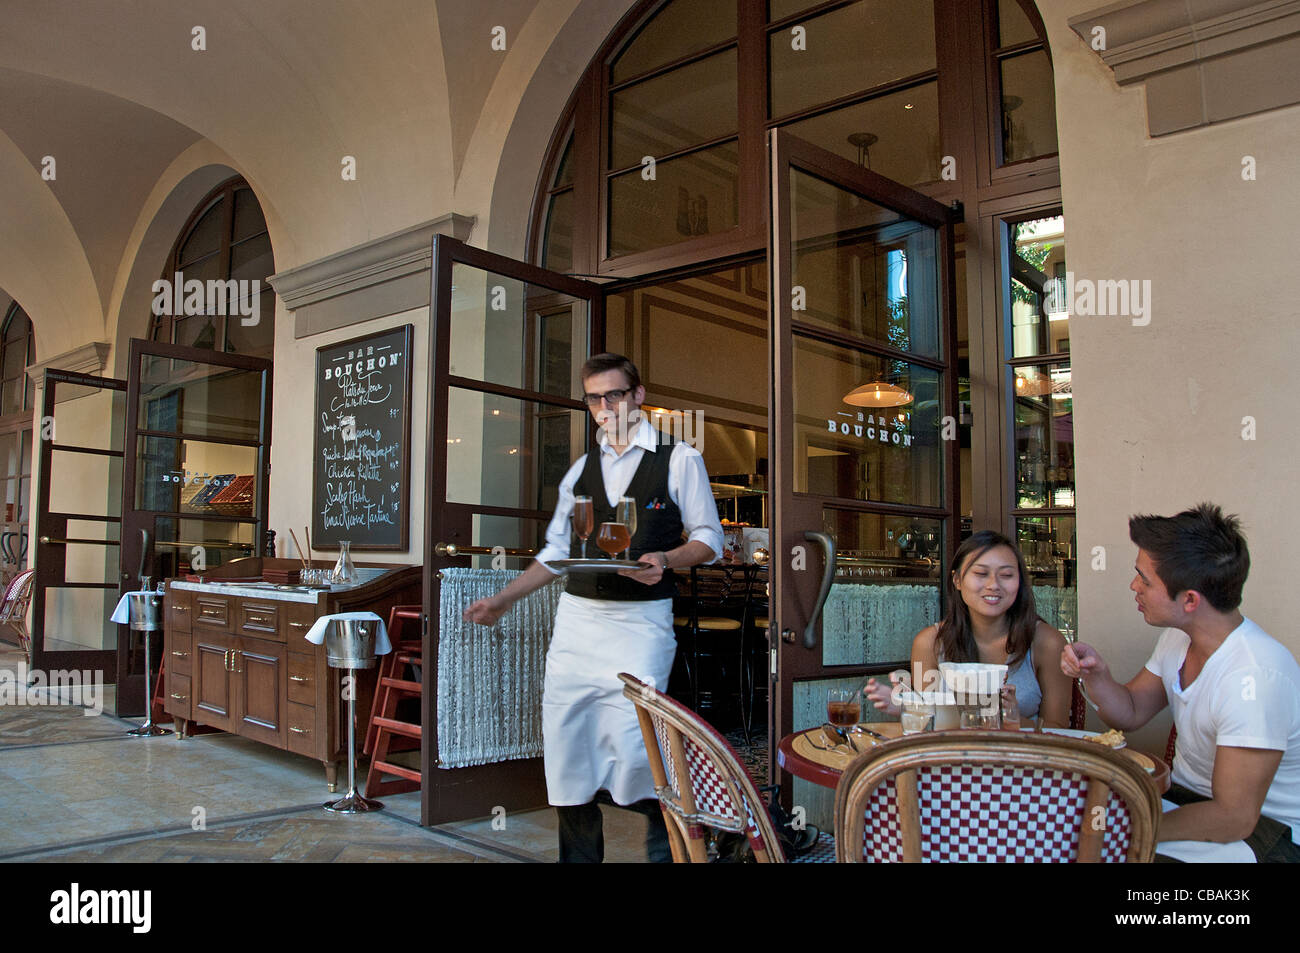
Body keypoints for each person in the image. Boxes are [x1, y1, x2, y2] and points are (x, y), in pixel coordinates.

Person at [462, 353, 723, 863]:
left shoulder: (678, 459)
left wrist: (665, 559)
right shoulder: (581, 469)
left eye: (615, 395)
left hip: (641, 624)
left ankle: (670, 853)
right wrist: (502, 601)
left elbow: (709, 539)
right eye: (594, 398)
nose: (605, 407)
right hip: (578, 626)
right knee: (568, 752)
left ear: (638, 395)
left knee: (640, 750)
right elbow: (557, 555)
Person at [1062, 503, 1300, 862]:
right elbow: (1130, 712)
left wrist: (1123, 828)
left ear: (1189, 600)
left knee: (1096, 849)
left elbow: (1234, 817)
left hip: (1268, 837)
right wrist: (1096, 675)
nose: (1134, 586)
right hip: (1188, 801)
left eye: (1145, 579)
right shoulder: (1179, 637)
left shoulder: (1254, 676)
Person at [867, 530, 1072, 727]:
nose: (993, 585)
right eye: (981, 573)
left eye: (1007, 575)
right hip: (951, 760)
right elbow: (927, 724)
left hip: (1021, 760)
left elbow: (1059, 728)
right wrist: (908, 707)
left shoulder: (1047, 643)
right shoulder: (930, 642)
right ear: (957, 580)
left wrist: (1012, 720)